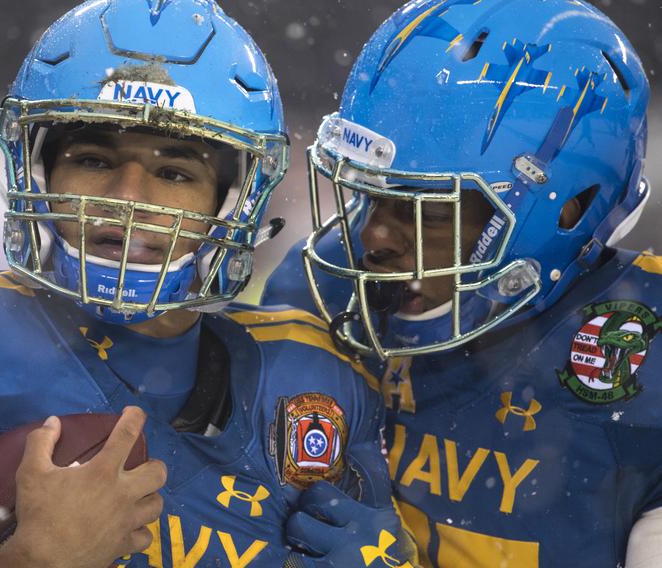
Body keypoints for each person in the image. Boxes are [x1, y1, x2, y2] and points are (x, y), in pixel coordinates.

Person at [0, 1, 413, 566]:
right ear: (38, 170)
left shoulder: (313, 376)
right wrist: (37, 558)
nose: (127, 198)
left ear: (231, 203)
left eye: (173, 172)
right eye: (94, 160)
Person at [262, 0, 662, 566]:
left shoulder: (642, 349)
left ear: (567, 210)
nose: (374, 238)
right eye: (372, 194)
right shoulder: (322, 290)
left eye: (428, 210)